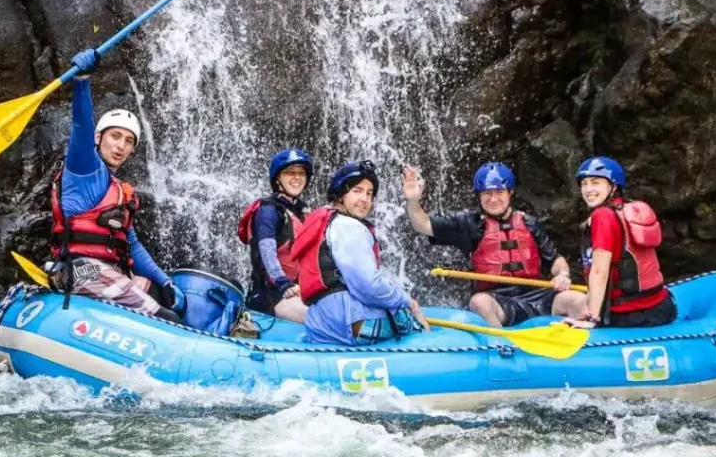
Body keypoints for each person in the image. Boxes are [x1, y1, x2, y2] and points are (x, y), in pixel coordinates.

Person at [48, 48, 182, 322]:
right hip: (77, 269)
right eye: (115, 136)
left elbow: (131, 244)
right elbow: (81, 126)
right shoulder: (83, 168)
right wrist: (82, 81)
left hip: (110, 269)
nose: (121, 146)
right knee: (166, 318)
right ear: (99, 138)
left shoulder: (121, 191)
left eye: (128, 141)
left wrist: (164, 281)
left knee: (161, 294)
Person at [402, 162, 585, 328]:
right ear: (479, 196)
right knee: (479, 302)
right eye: (487, 193)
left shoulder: (529, 224)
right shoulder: (470, 225)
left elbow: (556, 260)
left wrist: (562, 275)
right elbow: (423, 225)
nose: (493, 199)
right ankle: (502, 349)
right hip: (499, 301)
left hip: (540, 296)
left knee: (580, 300)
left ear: (510, 193)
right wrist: (413, 200)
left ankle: (582, 350)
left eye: (499, 192)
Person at [291, 160, 429, 346]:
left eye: (369, 193)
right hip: (350, 323)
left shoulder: (325, 218)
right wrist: (408, 302)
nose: (365, 199)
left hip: (319, 324)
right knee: (414, 317)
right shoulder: (349, 226)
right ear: (341, 195)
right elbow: (368, 286)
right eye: (357, 191)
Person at [567, 156, 676, 329]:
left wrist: (593, 319)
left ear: (613, 186)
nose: (588, 189)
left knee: (570, 308)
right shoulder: (626, 209)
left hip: (632, 314)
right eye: (584, 183)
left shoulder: (602, 216)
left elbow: (599, 271)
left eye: (596, 182)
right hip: (662, 306)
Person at [238, 148, 312, 323]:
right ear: (277, 178)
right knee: (322, 319)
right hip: (270, 294)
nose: (297, 177)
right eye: (290, 173)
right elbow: (267, 253)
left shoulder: (303, 212)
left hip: (299, 290)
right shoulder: (268, 211)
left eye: (301, 173)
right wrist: (282, 281)